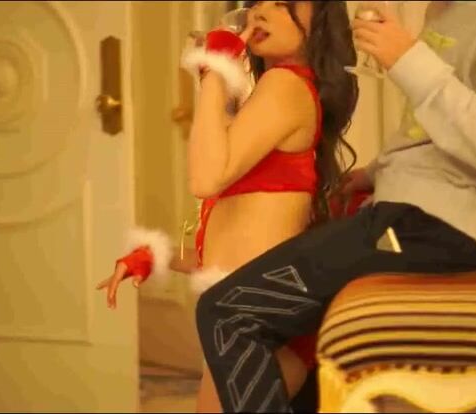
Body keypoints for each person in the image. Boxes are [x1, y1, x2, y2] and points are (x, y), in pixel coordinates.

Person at [193, 1, 476, 412]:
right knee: (257, 322)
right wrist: (377, 172)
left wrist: (410, 61)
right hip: (410, 212)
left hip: (431, 223)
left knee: (229, 314)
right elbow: (431, 139)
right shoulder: (445, 12)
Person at [95, 1, 359, 411]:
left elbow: (205, 178)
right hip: (254, 319)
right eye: (257, 2)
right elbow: (247, 243)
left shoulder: (286, 86)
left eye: (284, 3)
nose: (261, 11)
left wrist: (216, 70)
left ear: (321, 23)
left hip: (259, 326)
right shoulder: (276, 93)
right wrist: (157, 255)